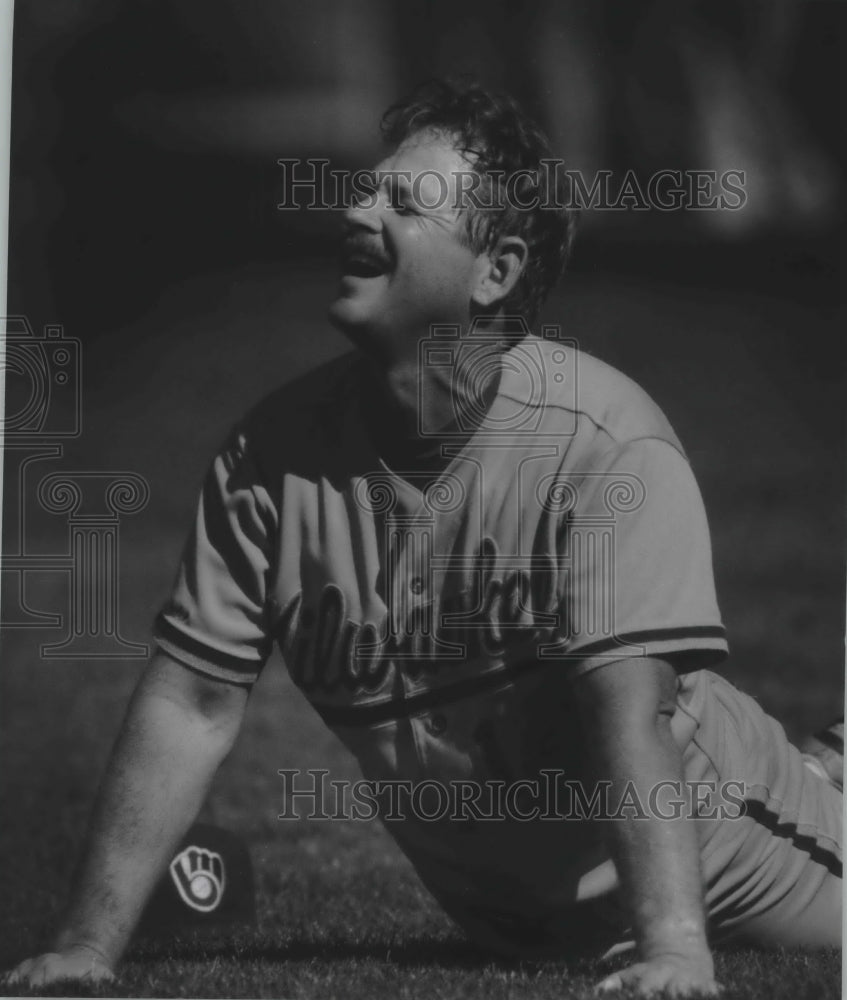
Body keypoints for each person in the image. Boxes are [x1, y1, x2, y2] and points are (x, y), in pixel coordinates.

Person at [5, 80, 842, 998]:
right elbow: (192, 704)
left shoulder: (601, 447)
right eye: (369, 191)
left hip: (733, 846)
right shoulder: (269, 457)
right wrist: (87, 945)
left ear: (496, 270)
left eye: (403, 202)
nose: (356, 209)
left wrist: (675, 950)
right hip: (523, 923)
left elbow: (627, 711)